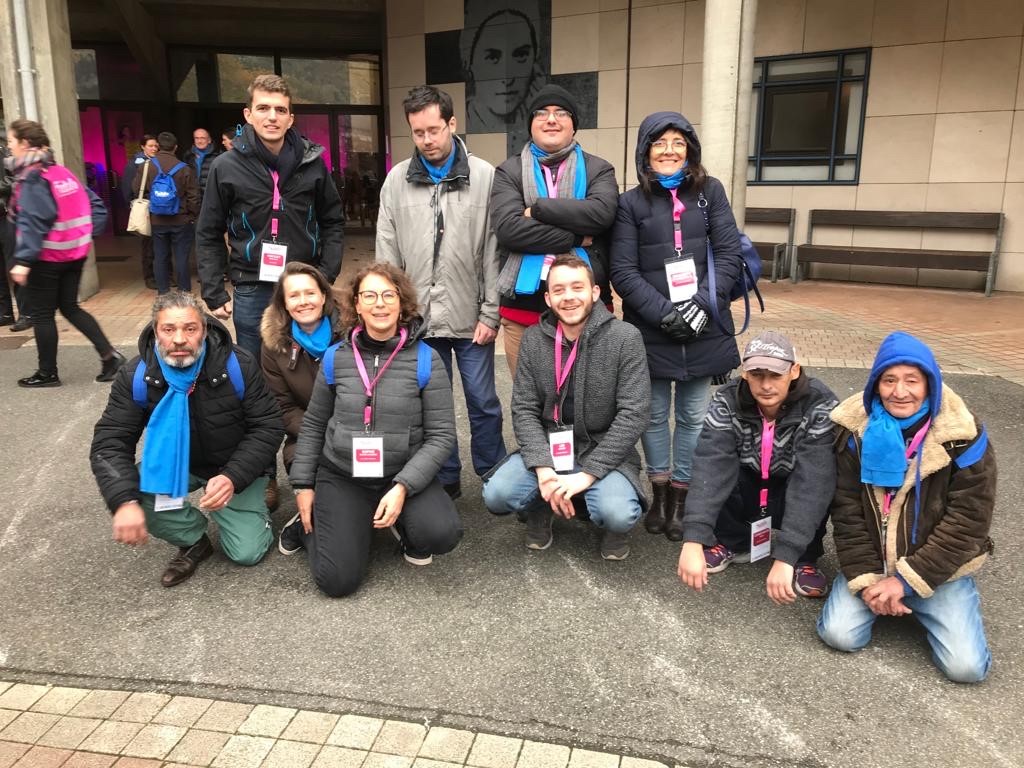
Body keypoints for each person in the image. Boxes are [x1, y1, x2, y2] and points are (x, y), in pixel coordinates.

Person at [817, 332, 996, 683]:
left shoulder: (963, 436)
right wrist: (869, 579)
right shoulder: (853, 433)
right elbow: (847, 513)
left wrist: (907, 582)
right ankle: (885, 597)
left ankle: (918, 598)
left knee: (967, 669)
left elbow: (968, 521)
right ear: (875, 385)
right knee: (839, 635)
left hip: (938, 569)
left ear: (930, 383)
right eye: (889, 380)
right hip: (873, 561)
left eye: (912, 380)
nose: (900, 392)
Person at [284, 263, 463, 597]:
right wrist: (303, 486)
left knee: (441, 533)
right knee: (338, 582)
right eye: (369, 295)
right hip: (343, 473)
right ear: (357, 304)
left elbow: (441, 436)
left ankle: (392, 519)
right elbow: (314, 423)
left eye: (388, 295)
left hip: (402, 471)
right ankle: (315, 528)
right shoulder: (335, 358)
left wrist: (403, 487)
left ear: (402, 303)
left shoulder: (426, 359)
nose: (379, 304)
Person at [90, 291, 284, 587]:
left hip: (232, 464)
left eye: (190, 329)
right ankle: (193, 537)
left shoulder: (238, 365)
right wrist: (124, 502)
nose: (179, 339)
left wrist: (233, 476)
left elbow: (268, 426)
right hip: (175, 463)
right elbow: (110, 442)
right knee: (130, 494)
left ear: (204, 330)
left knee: (247, 552)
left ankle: (247, 509)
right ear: (156, 331)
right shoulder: (136, 375)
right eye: (169, 329)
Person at [610, 111, 742, 541]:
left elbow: (727, 257)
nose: (669, 150)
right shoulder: (630, 203)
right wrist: (665, 313)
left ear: (690, 149)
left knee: (693, 415)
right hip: (651, 327)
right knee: (651, 416)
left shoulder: (711, 192)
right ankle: (660, 491)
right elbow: (623, 271)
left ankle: (682, 500)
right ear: (645, 151)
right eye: (659, 142)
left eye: (678, 142)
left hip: (704, 324)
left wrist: (702, 307)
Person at [376, 85, 506, 500]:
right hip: (419, 321)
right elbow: (387, 254)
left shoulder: (485, 176)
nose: (427, 140)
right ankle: (444, 476)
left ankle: (493, 472)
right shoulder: (396, 180)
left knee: (483, 401)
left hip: (471, 317)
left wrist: (491, 312)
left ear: (452, 124)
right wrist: (396, 312)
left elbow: (493, 249)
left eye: (434, 130)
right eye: (418, 133)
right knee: (433, 407)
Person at [483, 254, 650, 560]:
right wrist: (545, 471)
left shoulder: (626, 338)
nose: (569, 297)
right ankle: (540, 507)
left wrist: (587, 475)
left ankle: (606, 516)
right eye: (558, 290)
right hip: (550, 446)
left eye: (577, 287)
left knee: (617, 512)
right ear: (547, 298)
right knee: (497, 495)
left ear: (595, 292)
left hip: (602, 447)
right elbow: (524, 409)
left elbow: (633, 415)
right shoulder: (533, 339)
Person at [677, 331, 837, 602]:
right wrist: (693, 537)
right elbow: (711, 464)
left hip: (794, 478)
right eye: (756, 375)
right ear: (745, 373)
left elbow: (814, 481)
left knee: (822, 481)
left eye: (775, 375)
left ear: (794, 370)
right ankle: (732, 541)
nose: (765, 385)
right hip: (750, 476)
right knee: (721, 471)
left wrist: (786, 553)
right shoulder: (726, 399)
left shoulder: (820, 403)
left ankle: (804, 556)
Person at [196, 74, 344, 358]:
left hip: (305, 281)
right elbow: (208, 231)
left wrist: (326, 274)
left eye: (280, 110)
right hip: (252, 285)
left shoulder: (312, 163)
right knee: (255, 370)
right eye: (263, 108)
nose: (272, 117)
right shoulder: (225, 166)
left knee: (311, 364)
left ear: (291, 118)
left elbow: (333, 220)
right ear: (248, 115)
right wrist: (214, 291)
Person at [490, 83, 618, 374]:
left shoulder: (599, 169)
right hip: (523, 309)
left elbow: (600, 215)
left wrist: (538, 210)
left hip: (588, 309)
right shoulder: (508, 172)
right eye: (541, 113)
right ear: (531, 125)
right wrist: (574, 236)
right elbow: (510, 229)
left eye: (561, 112)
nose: (551, 119)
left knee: (590, 400)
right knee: (530, 402)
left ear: (574, 126)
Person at [6, 119, 125, 388]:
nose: (9, 147)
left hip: (47, 258)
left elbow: (36, 218)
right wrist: (83, 238)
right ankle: (110, 356)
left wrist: (23, 260)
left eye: (11, 141)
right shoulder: (61, 173)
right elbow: (92, 205)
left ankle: (47, 373)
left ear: (25, 143)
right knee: (70, 307)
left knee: (42, 315)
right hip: (74, 254)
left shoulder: (32, 177)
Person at [259, 261, 345, 511]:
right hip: (307, 433)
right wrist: (322, 431)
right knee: (321, 500)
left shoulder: (352, 332)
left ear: (323, 295)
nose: (303, 301)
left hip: (358, 428)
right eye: (294, 295)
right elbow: (282, 407)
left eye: (310, 292)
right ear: (284, 303)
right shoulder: (273, 346)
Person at [132, 131, 200, 294]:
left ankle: (163, 291)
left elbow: (136, 190)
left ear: (158, 147)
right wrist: (191, 215)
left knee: (160, 257)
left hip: (156, 220)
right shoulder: (185, 169)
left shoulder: (146, 166)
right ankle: (184, 292)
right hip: (181, 220)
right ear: (175, 147)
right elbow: (194, 196)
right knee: (182, 258)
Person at [122, 134, 159, 290]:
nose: (154, 148)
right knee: (148, 245)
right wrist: (132, 205)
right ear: (143, 146)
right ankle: (149, 276)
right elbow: (127, 188)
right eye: (150, 145)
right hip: (145, 208)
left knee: (159, 244)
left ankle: (162, 275)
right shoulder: (134, 164)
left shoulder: (158, 162)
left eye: (156, 146)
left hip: (158, 208)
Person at [182, 128, 221, 197]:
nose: (199, 141)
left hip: (211, 198)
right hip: (194, 199)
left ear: (209, 140)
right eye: (196, 138)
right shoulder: (188, 156)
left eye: (202, 138)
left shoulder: (218, 156)